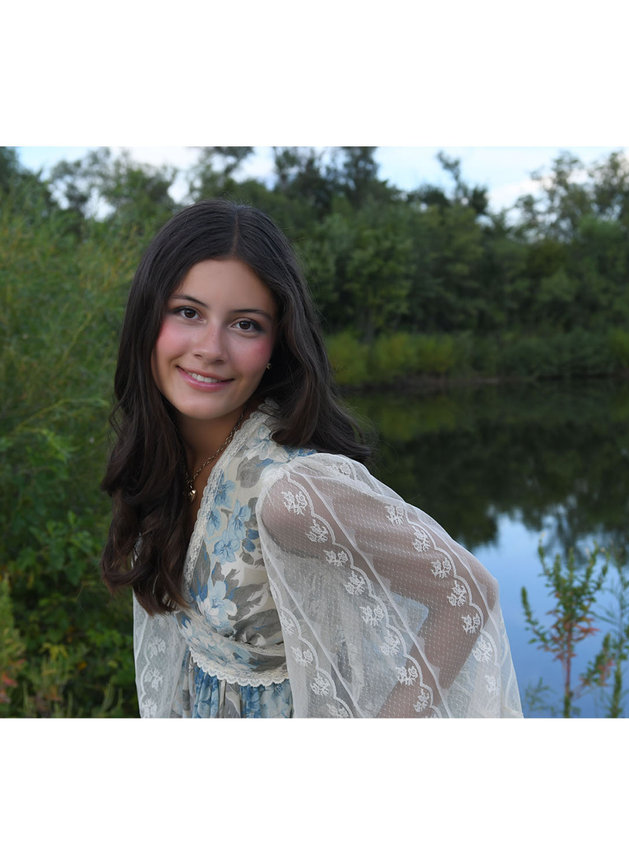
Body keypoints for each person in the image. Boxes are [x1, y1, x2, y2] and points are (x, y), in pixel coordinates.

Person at [100, 200, 521, 717]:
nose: (211, 348)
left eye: (246, 324)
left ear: (278, 342)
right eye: (188, 312)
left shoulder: (291, 493)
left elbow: (467, 593)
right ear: (148, 316)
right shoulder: (170, 456)